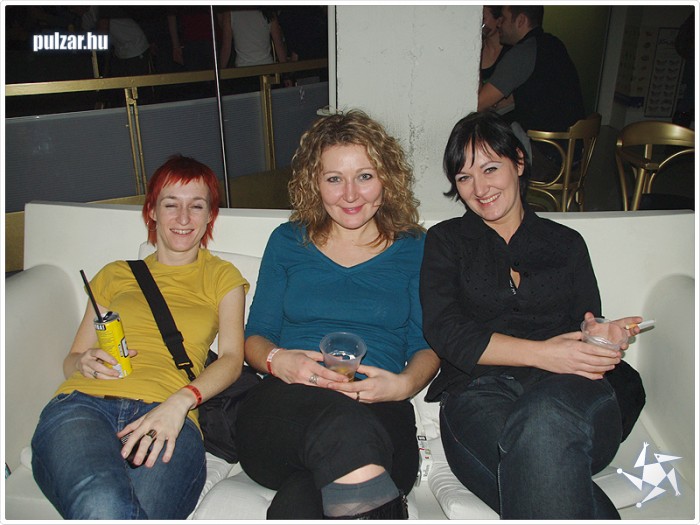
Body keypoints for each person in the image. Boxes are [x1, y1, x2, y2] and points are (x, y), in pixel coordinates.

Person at [419, 110, 646, 519]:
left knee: (545, 420)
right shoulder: (446, 241)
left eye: (490, 168)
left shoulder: (566, 243)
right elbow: (445, 330)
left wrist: (601, 335)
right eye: (464, 177)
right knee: (543, 468)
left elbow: (587, 321)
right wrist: (543, 353)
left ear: (519, 163)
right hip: (477, 393)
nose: (479, 188)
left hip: (568, 390)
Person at [235, 110, 440, 520]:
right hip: (286, 409)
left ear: (386, 178)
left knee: (301, 503)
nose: (350, 195)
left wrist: (402, 385)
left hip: (378, 407)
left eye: (364, 176)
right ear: (314, 183)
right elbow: (256, 336)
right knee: (346, 432)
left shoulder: (416, 247)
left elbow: (427, 344)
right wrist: (279, 361)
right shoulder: (287, 241)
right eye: (334, 179)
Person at [30, 155, 249, 519]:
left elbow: (231, 359)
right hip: (84, 405)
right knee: (101, 501)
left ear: (211, 215)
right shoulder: (115, 274)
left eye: (196, 206)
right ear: (151, 211)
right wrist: (82, 362)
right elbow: (72, 358)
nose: (183, 218)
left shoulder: (223, 277)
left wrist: (181, 402)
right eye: (171, 204)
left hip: (169, 414)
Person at [478, 6, 585, 179]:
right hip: (572, 155)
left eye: (504, 18)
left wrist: (476, 53)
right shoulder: (553, 45)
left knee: (479, 149)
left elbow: (478, 103)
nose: (499, 24)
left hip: (546, 158)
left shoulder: (523, 52)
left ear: (521, 20)